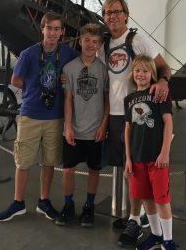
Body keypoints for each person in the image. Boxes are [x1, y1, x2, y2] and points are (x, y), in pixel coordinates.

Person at [98, 0, 171, 246]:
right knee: (128, 167)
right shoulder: (104, 44)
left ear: (126, 14)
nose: (112, 16)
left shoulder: (138, 40)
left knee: (137, 170)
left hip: (139, 114)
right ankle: (137, 217)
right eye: (107, 12)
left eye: (116, 11)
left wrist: (162, 81)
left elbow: (163, 67)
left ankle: (134, 219)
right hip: (117, 115)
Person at [0, 11, 78, 222]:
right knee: (23, 161)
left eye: (57, 29)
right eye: (49, 28)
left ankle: (44, 200)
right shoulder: (29, 54)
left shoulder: (67, 53)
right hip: (31, 114)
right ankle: (18, 202)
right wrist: (37, 88)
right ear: (42, 29)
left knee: (49, 161)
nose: (52, 33)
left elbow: (77, 72)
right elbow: (15, 79)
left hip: (55, 116)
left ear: (62, 32)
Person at [55, 23, 109, 227]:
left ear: (99, 45)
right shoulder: (69, 69)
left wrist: (104, 125)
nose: (90, 45)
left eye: (95, 42)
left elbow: (107, 100)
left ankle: (89, 206)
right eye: (87, 40)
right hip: (74, 129)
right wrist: (68, 126)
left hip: (96, 130)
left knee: (94, 169)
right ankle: (68, 205)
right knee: (68, 169)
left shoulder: (104, 71)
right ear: (80, 41)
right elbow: (67, 99)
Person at [124, 55, 176, 250]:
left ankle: (168, 239)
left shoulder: (159, 94)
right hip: (137, 158)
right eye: (137, 70)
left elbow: (168, 122)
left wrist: (165, 153)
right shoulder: (129, 99)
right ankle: (155, 234)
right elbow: (128, 129)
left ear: (152, 74)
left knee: (162, 199)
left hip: (157, 159)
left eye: (146, 71)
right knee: (146, 198)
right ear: (132, 73)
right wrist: (128, 159)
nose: (141, 74)